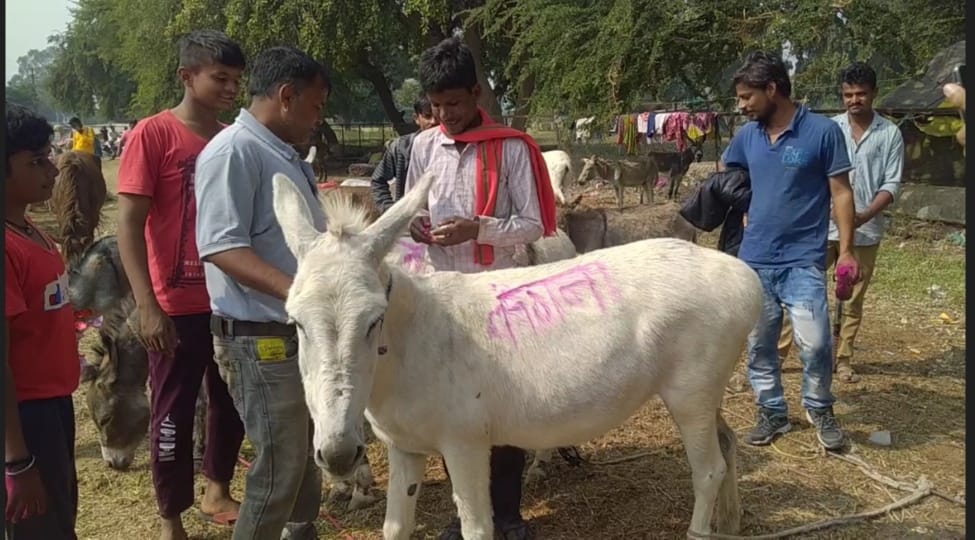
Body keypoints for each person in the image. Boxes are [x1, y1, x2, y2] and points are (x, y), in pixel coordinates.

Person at [403, 36, 558, 540]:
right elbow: (410, 210)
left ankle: (508, 515)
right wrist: (418, 227)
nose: (445, 114)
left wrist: (479, 229)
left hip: (498, 297)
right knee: (454, 409)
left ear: (477, 95)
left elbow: (533, 224)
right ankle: (469, 515)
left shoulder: (510, 146)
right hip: (441, 298)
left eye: (455, 103)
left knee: (503, 406)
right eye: (436, 106)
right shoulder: (423, 146)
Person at [116, 30, 247, 540]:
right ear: (186, 77)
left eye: (237, 80)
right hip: (174, 303)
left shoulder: (232, 137)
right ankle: (170, 515)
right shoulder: (152, 135)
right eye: (220, 78)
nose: (230, 88)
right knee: (172, 412)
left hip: (228, 297)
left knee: (230, 399)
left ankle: (218, 487)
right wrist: (147, 304)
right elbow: (129, 223)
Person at [194, 45, 330, 540]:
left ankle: (300, 532)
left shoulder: (284, 155)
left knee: (302, 457)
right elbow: (222, 246)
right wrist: (301, 290)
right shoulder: (234, 153)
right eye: (316, 107)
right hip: (259, 337)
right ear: (288, 96)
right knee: (278, 468)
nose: (319, 119)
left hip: (292, 329)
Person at [719, 51, 860, 451]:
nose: (742, 105)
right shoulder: (747, 136)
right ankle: (773, 412)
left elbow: (841, 192)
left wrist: (847, 251)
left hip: (802, 261)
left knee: (815, 343)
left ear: (772, 89)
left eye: (747, 97)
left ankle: (820, 408)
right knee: (760, 344)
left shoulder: (821, 132)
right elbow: (732, 178)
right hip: (754, 261)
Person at [777, 62, 904, 383]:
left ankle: (843, 359)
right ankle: (778, 355)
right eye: (848, 94)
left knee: (853, 300)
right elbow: (811, 176)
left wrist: (863, 215)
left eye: (861, 94)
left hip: (866, 231)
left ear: (874, 94)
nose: (854, 100)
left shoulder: (889, 134)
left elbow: (891, 184)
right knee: (801, 292)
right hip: (821, 228)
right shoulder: (828, 129)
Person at [4, 102, 80, 539]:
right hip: (24, 418)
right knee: (39, 528)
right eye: (35, 162)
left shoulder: (33, 232)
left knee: (60, 515)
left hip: (53, 405)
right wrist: (16, 460)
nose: (52, 171)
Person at [370, 95, 439, 212]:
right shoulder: (401, 148)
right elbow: (378, 180)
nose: (433, 122)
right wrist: (391, 211)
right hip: (408, 221)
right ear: (416, 118)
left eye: (437, 117)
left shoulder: (453, 148)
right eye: (427, 116)